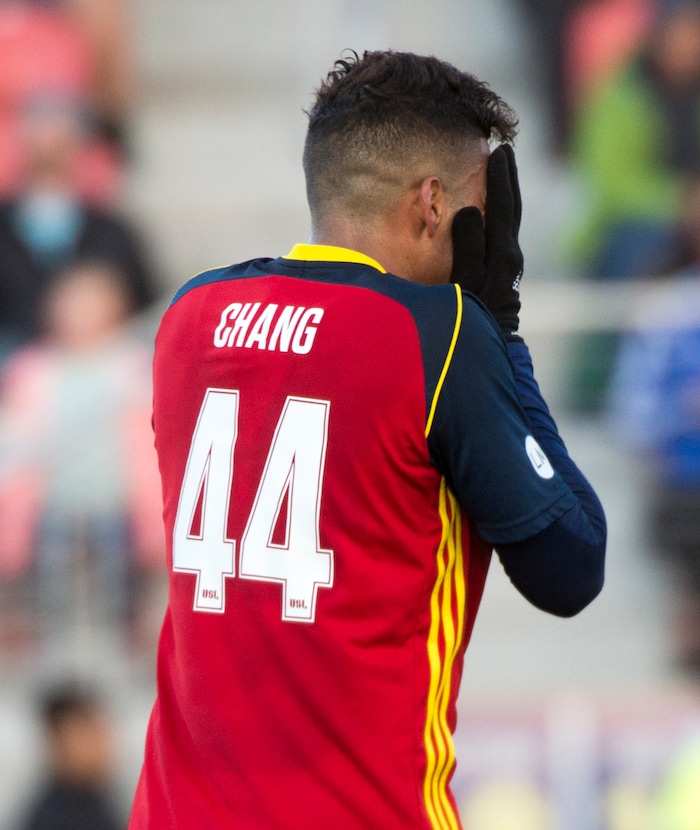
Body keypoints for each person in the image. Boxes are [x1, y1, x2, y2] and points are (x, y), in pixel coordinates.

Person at [128, 50, 606, 829]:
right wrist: (501, 330)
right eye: (480, 208)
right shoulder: (435, 333)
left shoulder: (188, 316)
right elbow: (572, 567)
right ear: (430, 203)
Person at [16, 681, 124, 830]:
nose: (102, 744)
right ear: (57, 744)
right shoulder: (55, 817)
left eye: (101, 731)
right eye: (87, 734)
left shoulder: (97, 801)